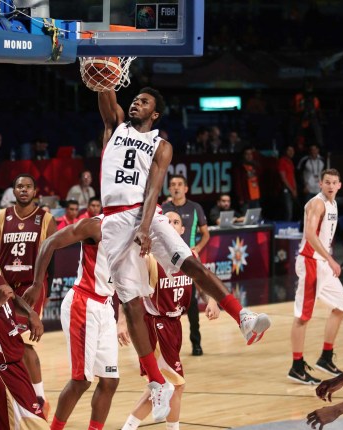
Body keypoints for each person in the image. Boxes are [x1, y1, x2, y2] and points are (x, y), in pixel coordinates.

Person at [98, 87, 271, 421]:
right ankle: (156, 382)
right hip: (114, 220)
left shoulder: (161, 146)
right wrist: (101, 57)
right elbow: (104, 90)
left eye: (144, 101)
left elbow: (153, 188)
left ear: (156, 114)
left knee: (191, 262)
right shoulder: (114, 127)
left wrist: (146, 226)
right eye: (134, 98)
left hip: (144, 211)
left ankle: (243, 317)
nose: (136, 102)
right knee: (132, 304)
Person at [120, 210, 220, 430]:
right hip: (155, 325)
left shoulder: (189, 255)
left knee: (162, 386)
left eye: (177, 222)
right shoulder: (149, 257)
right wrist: (121, 321)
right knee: (175, 384)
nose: (172, 224)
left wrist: (210, 300)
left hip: (174, 324)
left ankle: (129, 427)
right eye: (168, 221)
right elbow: (127, 290)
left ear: (182, 230)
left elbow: (201, 282)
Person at [23, 216, 119, 430]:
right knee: (82, 380)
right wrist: (38, 284)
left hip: (106, 305)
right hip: (84, 302)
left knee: (110, 380)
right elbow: (49, 243)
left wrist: (121, 321)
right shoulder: (95, 225)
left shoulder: (132, 231)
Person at [0, 173, 57, 419]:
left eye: (28, 186)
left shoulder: (46, 219)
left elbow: (51, 258)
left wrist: (45, 288)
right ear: (13, 191)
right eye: (19, 186)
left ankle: (39, 397)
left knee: (24, 342)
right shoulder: (1, 216)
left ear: (34, 191)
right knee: (11, 344)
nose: (23, 190)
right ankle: (21, 396)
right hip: (4, 286)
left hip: (30, 289)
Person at [288, 169, 343, 385]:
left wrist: (328, 260)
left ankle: (326, 357)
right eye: (327, 182)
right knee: (303, 316)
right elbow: (310, 235)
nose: (331, 186)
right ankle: (296, 366)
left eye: (334, 182)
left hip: (323, 263)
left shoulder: (333, 203)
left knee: (341, 307)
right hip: (311, 261)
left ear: (339, 185)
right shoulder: (317, 203)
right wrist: (331, 259)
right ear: (320, 184)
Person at [162, 174, 210, 356]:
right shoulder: (164, 208)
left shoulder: (195, 208)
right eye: (173, 184)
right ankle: (167, 345)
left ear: (186, 188)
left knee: (191, 305)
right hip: (166, 260)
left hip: (188, 260)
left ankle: (196, 343)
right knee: (165, 305)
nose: (176, 187)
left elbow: (206, 234)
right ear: (169, 189)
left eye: (180, 184)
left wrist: (197, 247)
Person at [0, 266, 49, 429]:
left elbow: (9, 295)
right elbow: (0, 298)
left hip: (14, 361)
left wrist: (30, 312)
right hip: (3, 371)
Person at [232, 147, 261, 214]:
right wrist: (240, 198)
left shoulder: (255, 166)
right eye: (247, 154)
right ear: (243, 155)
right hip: (246, 198)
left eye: (250, 154)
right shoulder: (240, 168)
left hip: (256, 197)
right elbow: (238, 184)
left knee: (257, 219)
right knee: (246, 220)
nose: (249, 156)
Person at [278, 145, 298, 221]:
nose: (291, 152)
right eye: (289, 150)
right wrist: (292, 190)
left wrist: (295, 189)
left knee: (291, 211)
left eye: (292, 150)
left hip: (292, 190)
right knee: (288, 211)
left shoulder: (290, 162)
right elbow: (283, 178)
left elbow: (292, 177)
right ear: (285, 151)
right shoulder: (282, 161)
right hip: (286, 189)